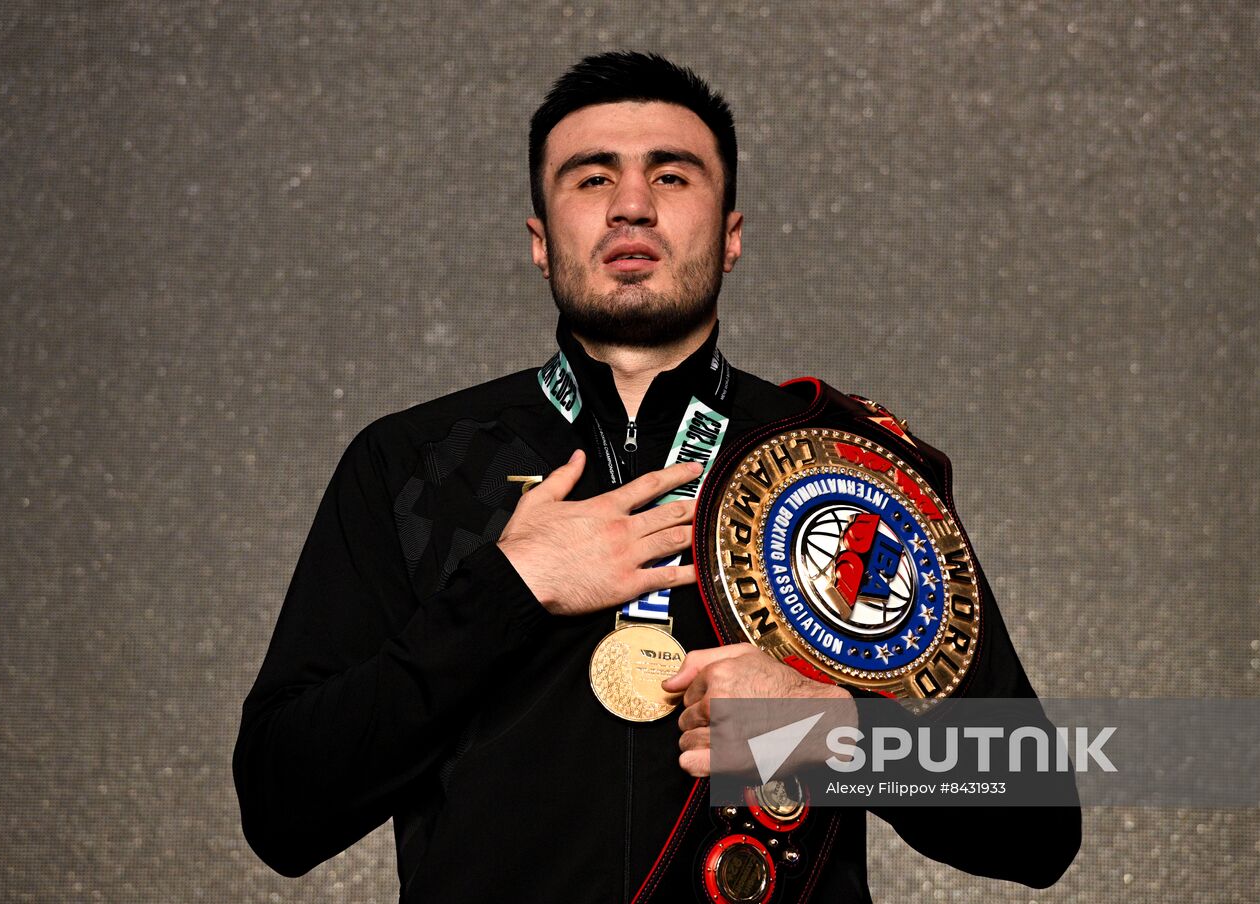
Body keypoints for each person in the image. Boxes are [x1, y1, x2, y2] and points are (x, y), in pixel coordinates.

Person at [233, 51, 1080, 902]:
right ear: (540, 240)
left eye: (672, 177)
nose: (631, 205)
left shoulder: (848, 465)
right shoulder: (410, 464)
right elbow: (281, 808)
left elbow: (1042, 818)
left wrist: (848, 738)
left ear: (733, 235)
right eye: (591, 178)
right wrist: (508, 587)